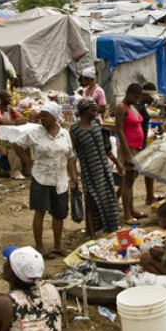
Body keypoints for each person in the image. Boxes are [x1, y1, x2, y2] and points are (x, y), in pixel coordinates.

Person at [11, 102, 78, 258]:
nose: (41, 119)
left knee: (59, 214)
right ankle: (40, 247)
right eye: (40, 116)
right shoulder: (36, 132)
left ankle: (57, 245)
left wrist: (74, 177)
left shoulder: (65, 134)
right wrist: (27, 160)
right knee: (40, 212)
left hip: (60, 179)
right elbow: (16, 144)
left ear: (54, 118)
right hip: (41, 177)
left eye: (45, 116)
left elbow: (70, 157)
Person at [70, 97, 121, 237]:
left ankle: (110, 229)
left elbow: (106, 149)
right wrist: (73, 177)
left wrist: (117, 163)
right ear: (84, 111)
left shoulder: (98, 125)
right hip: (89, 173)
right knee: (91, 202)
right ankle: (91, 233)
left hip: (104, 171)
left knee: (108, 199)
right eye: (93, 110)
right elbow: (72, 156)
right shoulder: (75, 130)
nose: (96, 112)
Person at [115, 84, 146, 222]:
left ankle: (132, 210)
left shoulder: (133, 106)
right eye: (135, 97)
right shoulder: (121, 107)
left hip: (136, 148)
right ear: (127, 93)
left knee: (131, 181)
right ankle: (127, 215)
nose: (137, 100)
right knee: (127, 182)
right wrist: (127, 153)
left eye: (138, 98)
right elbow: (120, 130)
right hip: (128, 148)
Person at [0, 90, 28, 179]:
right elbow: (1, 121)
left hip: (10, 136)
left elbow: (23, 118)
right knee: (15, 145)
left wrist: (21, 120)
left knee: (27, 142)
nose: (11, 99)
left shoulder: (10, 109)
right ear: (2, 99)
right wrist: (15, 122)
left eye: (11, 97)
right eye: (8, 97)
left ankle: (27, 168)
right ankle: (15, 171)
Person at [138, 83, 162, 205]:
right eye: (151, 97)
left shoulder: (141, 105)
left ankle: (150, 196)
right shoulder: (138, 106)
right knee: (129, 177)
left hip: (141, 142)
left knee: (148, 169)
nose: (153, 100)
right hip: (137, 143)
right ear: (145, 94)